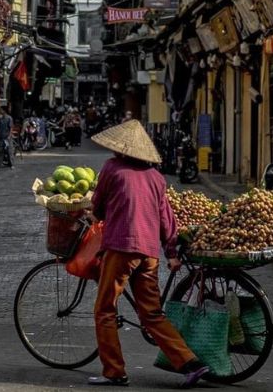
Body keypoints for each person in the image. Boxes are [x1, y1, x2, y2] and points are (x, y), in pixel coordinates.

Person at [88, 120, 209, 388]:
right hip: (149, 253)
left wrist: (96, 215)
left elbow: (98, 204)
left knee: (105, 309)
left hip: (121, 248)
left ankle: (114, 372)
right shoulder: (156, 177)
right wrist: (172, 252)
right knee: (152, 313)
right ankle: (191, 362)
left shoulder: (112, 168)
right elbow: (166, 219)